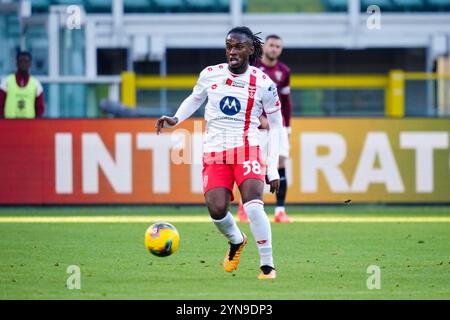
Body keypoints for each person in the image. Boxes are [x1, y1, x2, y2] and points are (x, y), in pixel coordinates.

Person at [155, 26, 283, 280]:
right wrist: (175, 118)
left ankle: (267, 266)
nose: (232, 51)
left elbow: (277, 125)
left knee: (254, 206)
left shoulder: (264, 84)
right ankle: (236, 240)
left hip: (247, 149)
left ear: (250, 50)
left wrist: (272, 167)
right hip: (215, 152)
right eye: (229, 46)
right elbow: (194, 98)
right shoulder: (210, 74)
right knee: (216, 209)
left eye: (238, 47)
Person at [237, 34, 293, 223]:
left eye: (278, 46)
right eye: (271, 45)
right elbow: (247, 98)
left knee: (282, 163)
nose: (274, 49)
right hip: (257, 127)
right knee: (255, 166)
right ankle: (245, 207)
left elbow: (286, 102)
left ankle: (280, 211)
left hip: (279, 127)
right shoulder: (252, 70)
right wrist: (259, 119)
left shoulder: (284, 71)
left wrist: (287, 127)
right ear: (264, 46)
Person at [0, 51, 45, 119]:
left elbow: (40, 109)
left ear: (30, 63)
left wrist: (36, 125)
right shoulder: (6, 82)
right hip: (9, 125)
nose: (23, 64)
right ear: (16, 63)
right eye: (21, 61)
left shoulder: (36, 84)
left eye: (26, 61)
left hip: (30, 126)